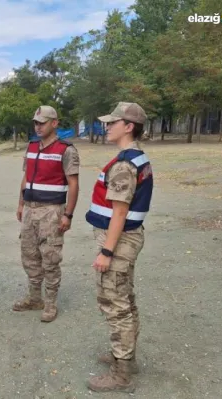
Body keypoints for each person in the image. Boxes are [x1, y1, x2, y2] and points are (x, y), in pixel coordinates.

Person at [84, 102, 152, 393]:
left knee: (115, 304)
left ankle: (121, 373)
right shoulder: (135, 158)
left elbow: (120, 212)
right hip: (128, 237)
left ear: (129, 126)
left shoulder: (125, 164)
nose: (107, 126)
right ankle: (125, 358)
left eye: (113, 122)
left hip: (120, 240)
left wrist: (106, 252)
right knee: (125, 298)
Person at [13, 105, 80, 322]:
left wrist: (68, 215)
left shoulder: (66, 150)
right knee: (29, 255)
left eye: (42, 122)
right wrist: (21, 204)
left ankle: (50, 303)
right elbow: (25, 178)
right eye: (36, 122)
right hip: (30, 209)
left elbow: (73, 184)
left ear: (54, 123)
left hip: (52, 211)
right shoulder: (32, 146)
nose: (38, 126)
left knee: (50, 258)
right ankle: (35, 298)